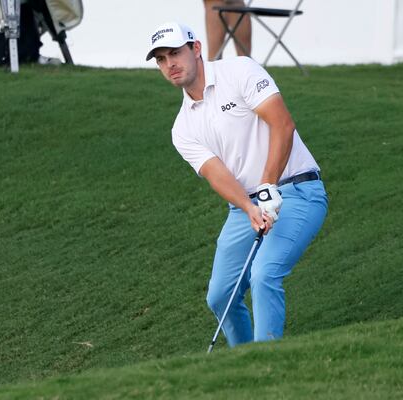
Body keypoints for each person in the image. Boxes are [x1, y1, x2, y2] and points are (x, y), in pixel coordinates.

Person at [145, 22, 328, 346]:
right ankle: (243, 365)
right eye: (161, 59)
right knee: (220, 296)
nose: (169, 63)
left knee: (264, 274)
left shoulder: (239, 70)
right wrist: (249, 206)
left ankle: (265, 363)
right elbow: (218, 175)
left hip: (299, 189)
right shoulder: (182, 128)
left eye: (175, 53)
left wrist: (268, 185)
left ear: (196, 48)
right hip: (245, 206)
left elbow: (282, 125)